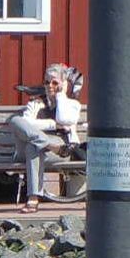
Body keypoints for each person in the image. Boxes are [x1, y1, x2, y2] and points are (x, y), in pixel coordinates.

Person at [11, 62, 84, 212]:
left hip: (57, 151)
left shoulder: (72, 104)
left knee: (34, 147)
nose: (49, 85)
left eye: (55, 82)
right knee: (15, 121)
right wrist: (52, 125)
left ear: (63, 84)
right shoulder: (35, 103)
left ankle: (33, 199)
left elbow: (64, 120)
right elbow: (26, 123)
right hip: (52, 148)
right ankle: (46, 143)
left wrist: (61, 95)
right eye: (46, 82)